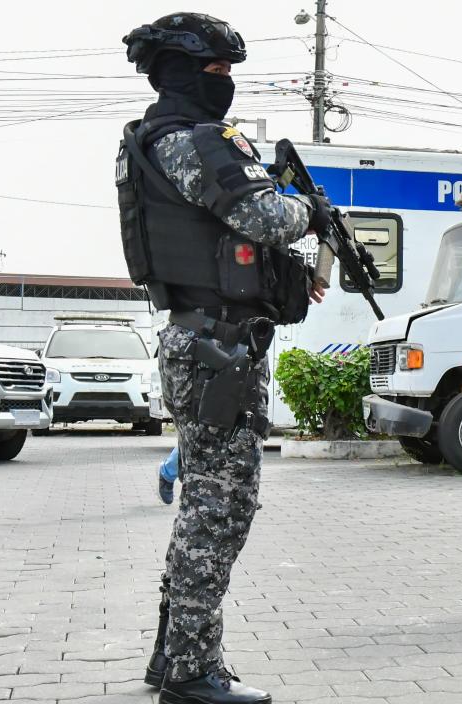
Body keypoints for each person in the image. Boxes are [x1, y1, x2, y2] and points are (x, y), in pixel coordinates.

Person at [119, 13, 328, 704]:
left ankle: (170, 653)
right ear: (179, 73)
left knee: (203, 504)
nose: (227, 85)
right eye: (216, 72)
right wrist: (305, 209)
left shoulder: (152, 142)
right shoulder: (191, 141)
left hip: (209, 340)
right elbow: (265, 218)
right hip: (218, 350)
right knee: (219, 509)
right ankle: (190, 673)